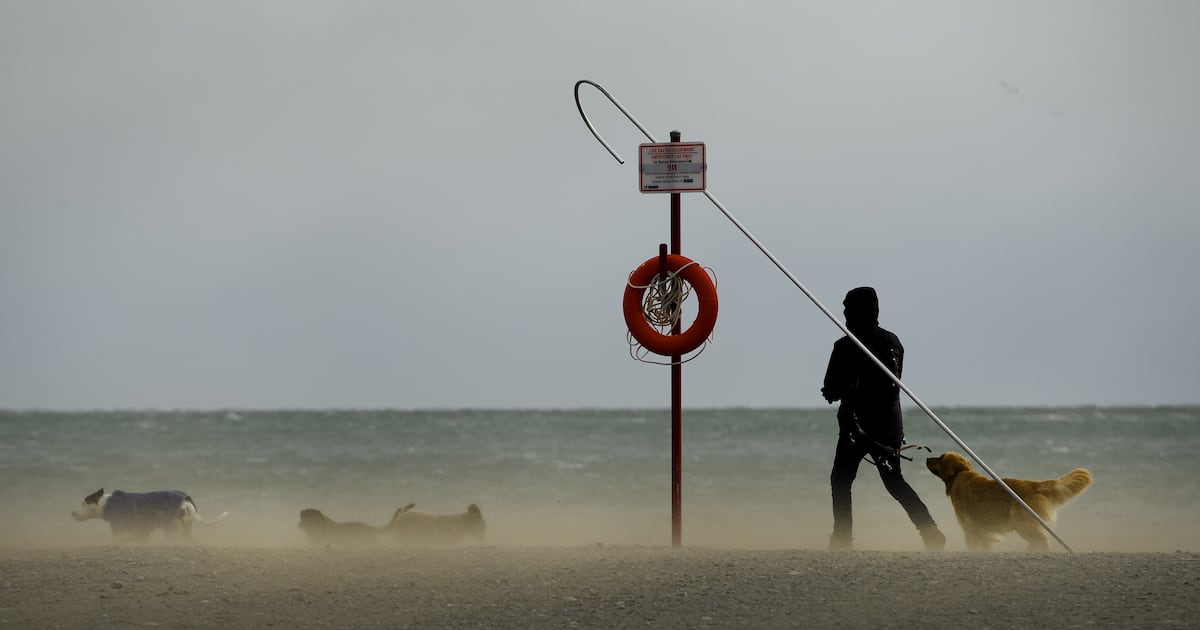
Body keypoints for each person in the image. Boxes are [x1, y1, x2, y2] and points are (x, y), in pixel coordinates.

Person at [820, 286, 946, 551]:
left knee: (889, 481)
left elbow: (890, 383)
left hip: (877, 428)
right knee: (845, 480)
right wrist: (841, 388)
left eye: (848, 309)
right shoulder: (847, 345)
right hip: (859, 427)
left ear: (863, 311)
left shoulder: (885, 343)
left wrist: (855, 385)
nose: (845, 315)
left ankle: (930, 531)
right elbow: (830, 389)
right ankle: (843, 538)